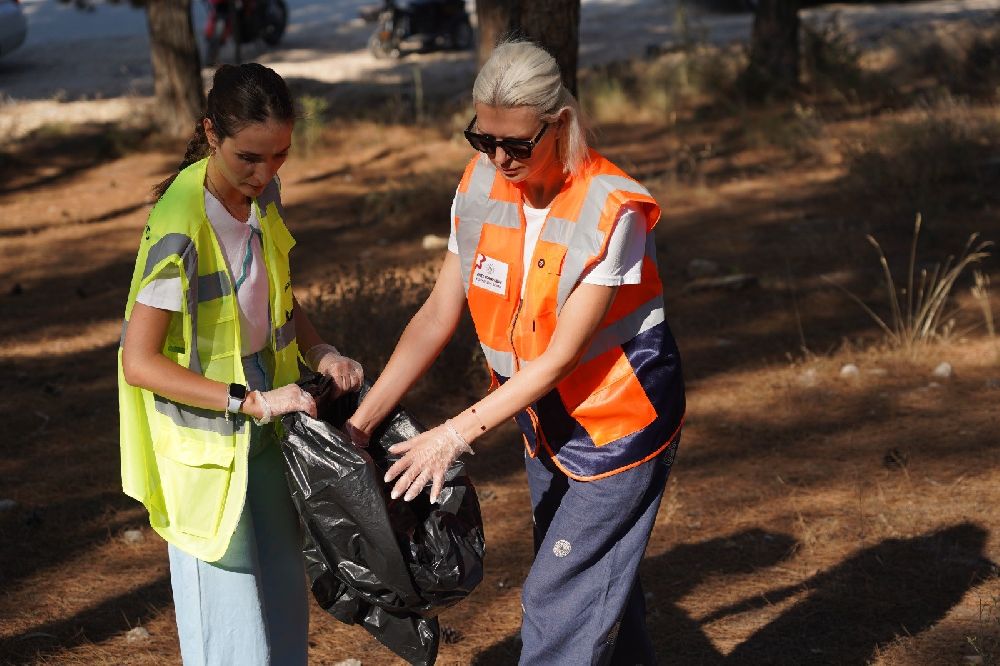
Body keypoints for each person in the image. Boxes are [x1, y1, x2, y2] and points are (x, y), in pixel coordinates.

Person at [346, 40, 685, 664]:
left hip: (620, 426)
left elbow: (558, 358)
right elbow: (435, 315)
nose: (499, 158)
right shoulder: (478, 186)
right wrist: (361, 426)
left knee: (558, 597)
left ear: (559, 125)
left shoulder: (614, 210)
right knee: (597, 583)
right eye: (484, 139)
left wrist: (453, 434)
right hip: (543, 420)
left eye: (517, 145)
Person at [118, 63, 363, 665]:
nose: (265, 173)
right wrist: (247, 400)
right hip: (208, 448)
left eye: (280, 156)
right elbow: (139, 361)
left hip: (270, 427)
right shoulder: (179, 225)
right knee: (234, 644)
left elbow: (276, 293)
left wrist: (321, 350)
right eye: (249, 158)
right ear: (210, 134)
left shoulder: (263, 197)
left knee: (282, 621)